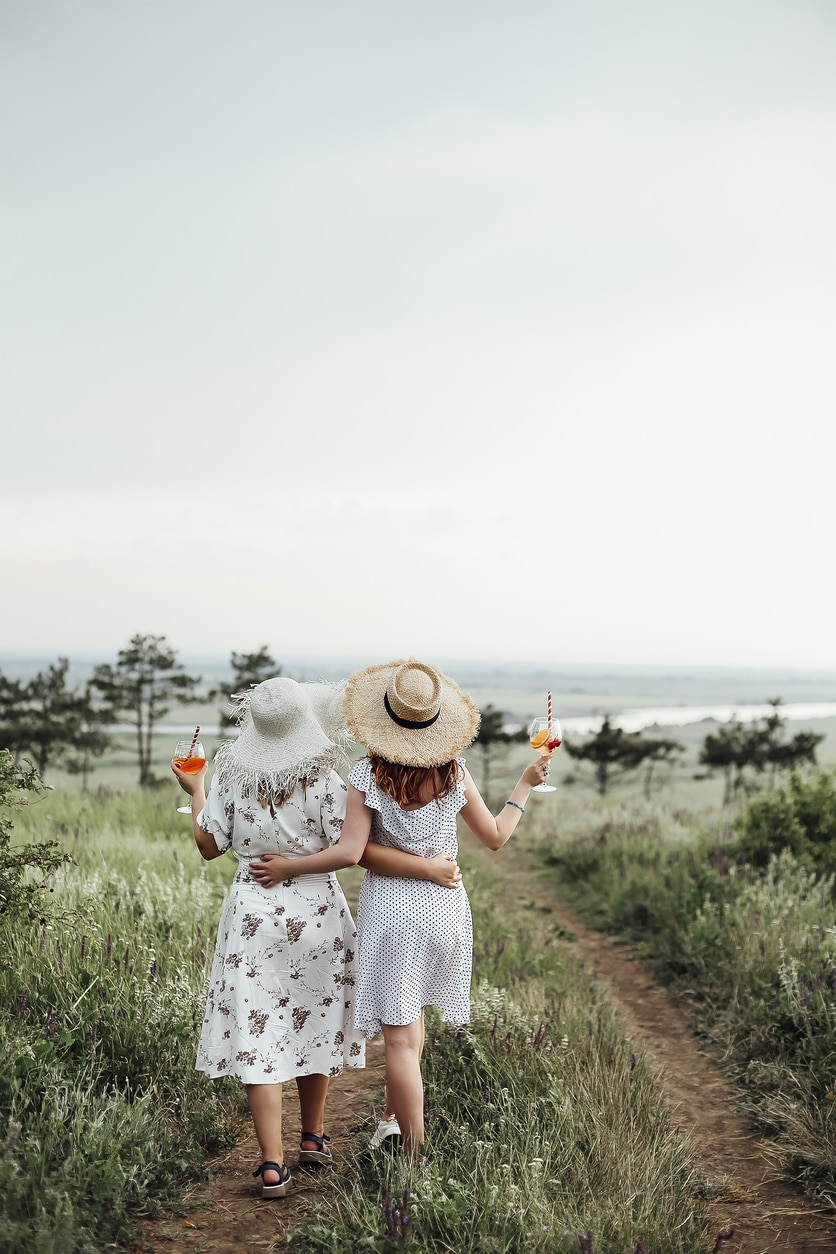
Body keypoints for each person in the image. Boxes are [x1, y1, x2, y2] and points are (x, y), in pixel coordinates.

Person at [247, 658, 551, 1159]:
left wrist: (294, 866)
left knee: (401, 1042)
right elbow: (496, 837)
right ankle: (392, 1123)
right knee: (415, 1026)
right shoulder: (454, 773)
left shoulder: (367, 775)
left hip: (393, 914)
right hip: (445, 913)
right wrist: (523, 785)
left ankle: (412, 1157)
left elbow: (355, 852)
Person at [172, 676, 460, 1198]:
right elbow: (351, 846)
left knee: (260, 1031)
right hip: (318, 914)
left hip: (253, 917)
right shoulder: (326, 780)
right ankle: (312, 1136)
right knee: (315, 1018)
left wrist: (196, 792)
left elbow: (208, 846)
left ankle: (271, 1164)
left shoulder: (231, 780)